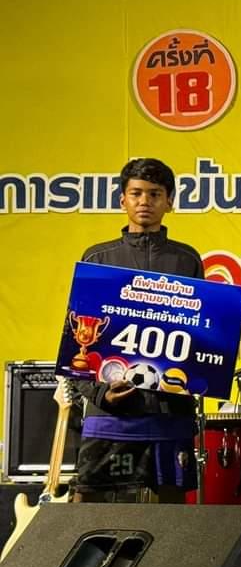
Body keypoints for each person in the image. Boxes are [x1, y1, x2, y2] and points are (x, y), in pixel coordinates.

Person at [73, 157, 203, 504]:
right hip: (109, 413)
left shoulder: (187, 260)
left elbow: (199, 336)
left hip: (169, 413)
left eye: (155, 194)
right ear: (122, 200)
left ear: (169, 202)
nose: (145, 201)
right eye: (136, 193)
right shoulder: (97, 259)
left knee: (172, 516)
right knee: (86, 508)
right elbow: (77, 340)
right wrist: (100, 393)